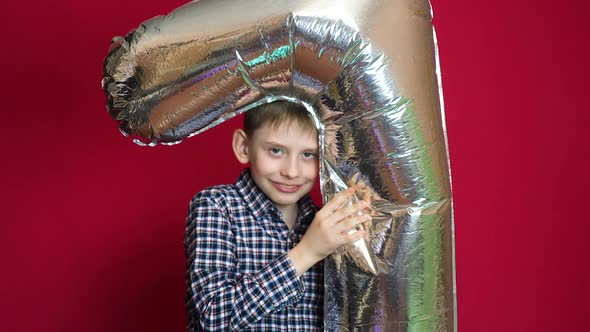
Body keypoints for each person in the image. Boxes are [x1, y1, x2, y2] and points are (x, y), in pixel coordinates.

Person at [184, 100, 371, 331]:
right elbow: (212, 319)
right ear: (244, 147)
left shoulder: (326, 222)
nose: (291, 172)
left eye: (308, 154)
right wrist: (308, 252)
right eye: (276, 150)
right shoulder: (217, 206)